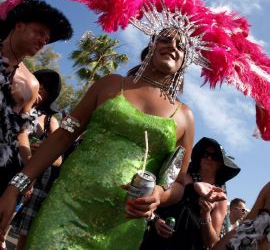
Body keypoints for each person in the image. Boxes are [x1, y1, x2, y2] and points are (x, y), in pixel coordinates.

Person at [0, 27, 195, 249]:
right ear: (151, 45)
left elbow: (178, 182)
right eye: (166, 40)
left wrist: (160, 195)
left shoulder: (184, 117)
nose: (173, 47)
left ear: (184, 62)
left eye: (181, 47)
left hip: (121, 230)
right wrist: (16, 186)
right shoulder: (111, 85)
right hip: (65, 210)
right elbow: (63, 135)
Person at [0, 0, 72, 250]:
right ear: (18, 25)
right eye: (39, 32)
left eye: (47, 39)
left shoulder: (30, 85)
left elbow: (21, 132)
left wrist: (27, 174)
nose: (43, 41)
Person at [140, 137, 240, 250]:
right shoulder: (181, 177)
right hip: (155, 243)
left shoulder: (219, 197)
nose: (209, 158)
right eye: (205, 154)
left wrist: (205, 215)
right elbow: (156, 199)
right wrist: (155, 220)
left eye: (214, 156)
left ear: (220, 164)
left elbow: (211, 243)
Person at [13, 69, 62, 250]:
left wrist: (44, 152)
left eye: (47, 88)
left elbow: (58, 159)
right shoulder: (13, 100)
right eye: (39, 82)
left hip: (24, 180)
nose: (41, 89)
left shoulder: (50, 121)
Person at [213, 182, 270, 250]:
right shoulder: (221, 222)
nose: (244, 212)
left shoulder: (240, 227)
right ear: (234, 209)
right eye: (243, 210)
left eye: (245, 210)